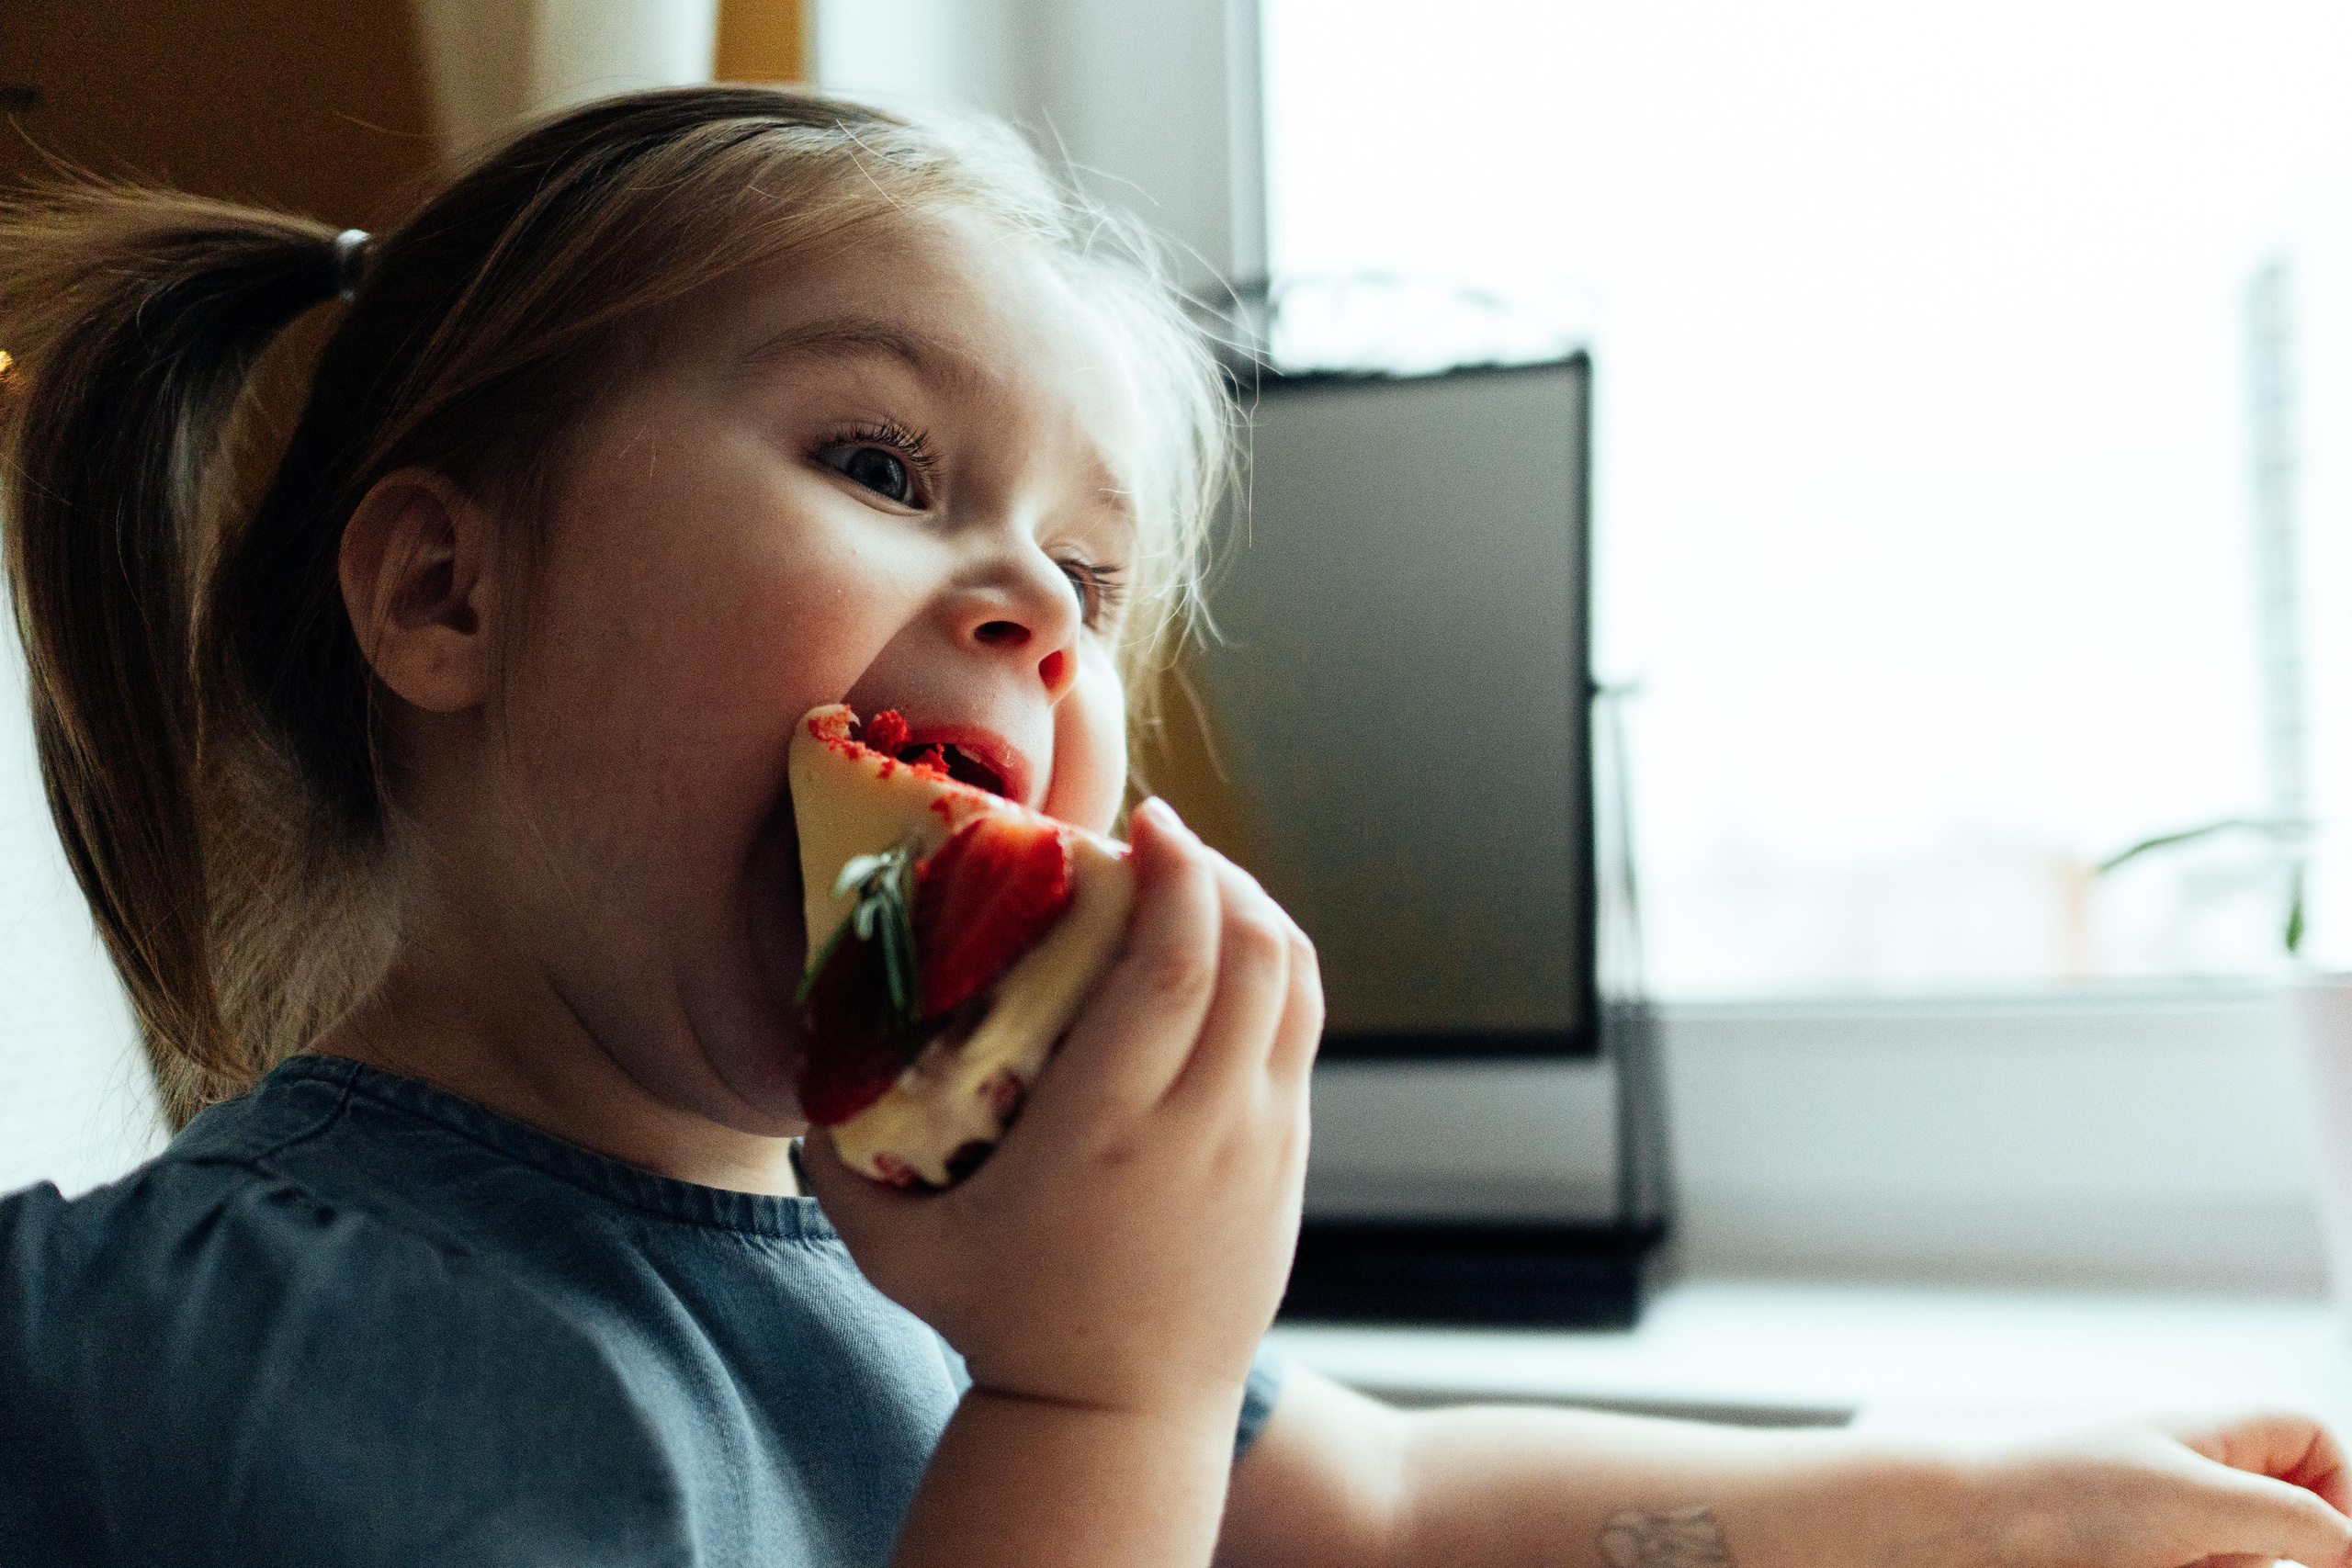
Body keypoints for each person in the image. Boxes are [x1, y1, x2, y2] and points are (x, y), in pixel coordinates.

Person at [0, 84, 2343, 1568]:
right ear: (445, 588)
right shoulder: (274, 1361)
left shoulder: (915, 1246)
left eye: (1093, 581)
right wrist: (1091, 1395)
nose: (1031, 601)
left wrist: (2026, 1492)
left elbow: (1392, 1507)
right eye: (883, 467)